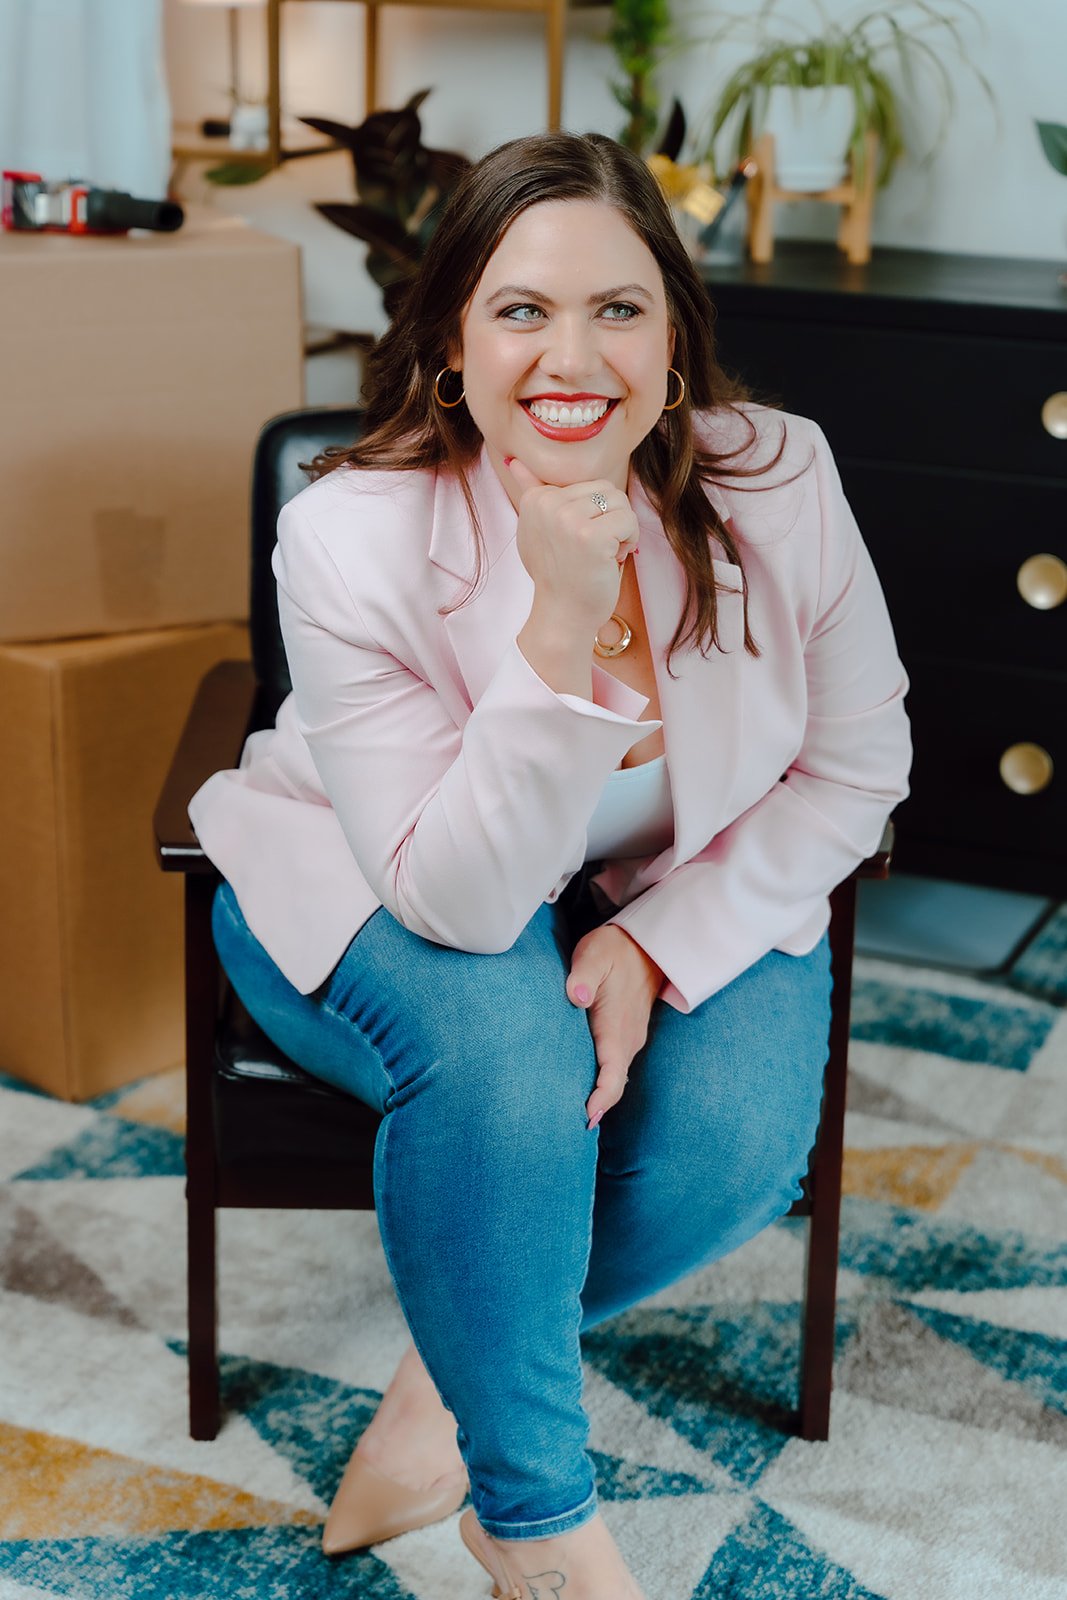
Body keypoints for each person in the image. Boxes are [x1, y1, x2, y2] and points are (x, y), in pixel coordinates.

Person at [190, 130, 911, 1600]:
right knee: (511, 1057)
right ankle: (535, 1527)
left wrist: (657, 945)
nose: (571, 354)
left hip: (670, 879)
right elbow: (451, 899)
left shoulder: (778, 479)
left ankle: (449, 1379)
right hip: (378, 875)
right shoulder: (347, 535)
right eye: (522, 309)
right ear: (454, 336)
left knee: (729, 1146)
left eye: (618, 308)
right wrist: (560, 618)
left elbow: (857, 766)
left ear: (674, 336)